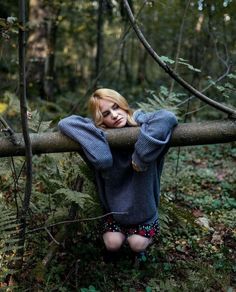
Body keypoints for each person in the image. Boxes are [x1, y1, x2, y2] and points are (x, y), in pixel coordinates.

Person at [58, 88, 178, 263]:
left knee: (137, 244)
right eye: (106, 113)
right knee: (112, 244)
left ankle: (140, 248)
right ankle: (115, 252)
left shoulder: (140, 122)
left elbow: (167, 117)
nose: (114, 115)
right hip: (116, 214)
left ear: (124, 106)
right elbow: (65, 123)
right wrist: (102, 156)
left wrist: (141, 155)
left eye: (116, 107)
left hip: (144, 213)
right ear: (101, 119)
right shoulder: (100, 134)